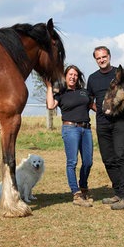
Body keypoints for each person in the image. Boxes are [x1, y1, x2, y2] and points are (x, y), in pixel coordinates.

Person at [87, 46, 124, 210]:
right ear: (95, 59)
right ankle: (118, 192)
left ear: (109, 56)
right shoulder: (92, 78)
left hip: (119, 122)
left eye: (104, 57)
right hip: (102, 123)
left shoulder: (119, 75)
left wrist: (119, 106)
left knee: (120, 156)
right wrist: (98, 109)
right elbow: (89, 98)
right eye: (98, 58)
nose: (101, 60)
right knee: (108, 158)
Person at [46, 65, 94, 207]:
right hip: (70, 128)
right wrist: (49, 86)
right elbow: (50, 105)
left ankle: (83, 186)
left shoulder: (84, 92)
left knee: (88, 162)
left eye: (75, 75)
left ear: (78, 77)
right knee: (72, 162)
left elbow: (94, 106)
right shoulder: (61, 93)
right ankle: (76, 193)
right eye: (70, 74)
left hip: (86, 129)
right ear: (65, 77)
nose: (73, 77)